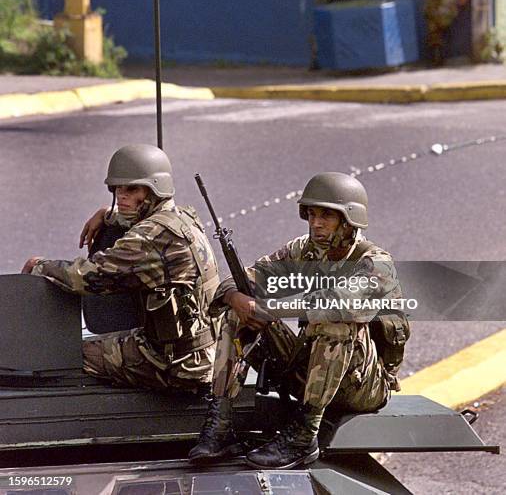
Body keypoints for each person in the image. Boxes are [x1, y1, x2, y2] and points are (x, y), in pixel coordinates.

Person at [188, 172, 408, 469]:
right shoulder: (304, 250)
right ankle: (221, 423)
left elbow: (334, 302)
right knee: (237, 315)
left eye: (326, 216)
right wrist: (237, 298)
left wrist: (269, 309)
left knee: (335, 320)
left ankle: (304, 436)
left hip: (362, 386)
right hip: (312, 373)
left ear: (349, 220)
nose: (316, 223)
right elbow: (251, 277)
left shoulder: (376, 263)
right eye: (312, 214)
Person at [22, 144, 220, 394]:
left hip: (176, 364)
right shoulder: (183, 218)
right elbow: (139, 223)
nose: (121, 196)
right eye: (117, 189)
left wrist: (39, 266)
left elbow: (88, 277)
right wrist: (107, 215)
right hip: (203, 350)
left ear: (154, 190)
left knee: (64, 354)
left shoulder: (150, 239)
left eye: (131, 189)